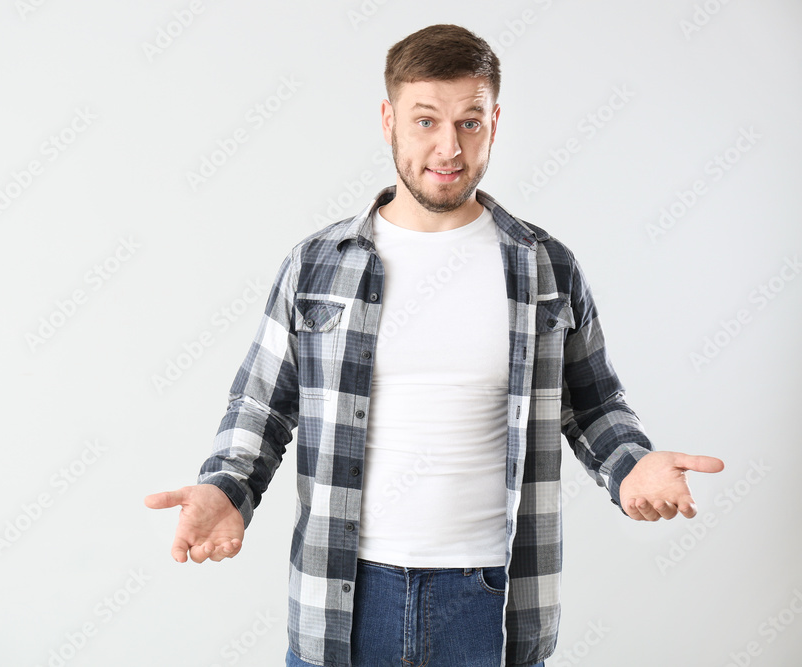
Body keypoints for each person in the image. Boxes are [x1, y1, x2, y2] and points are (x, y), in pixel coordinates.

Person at [144, 23, 724, 667]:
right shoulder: (316, 264)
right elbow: (263, 407)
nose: (448, 147)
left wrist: (631, 466)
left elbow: (592, 405)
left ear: (494, 122)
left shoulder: (546, 268)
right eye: (425, 121)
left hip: (488, 604)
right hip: (344, 598)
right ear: (389, 119)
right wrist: (226, 487)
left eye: (469, 122)